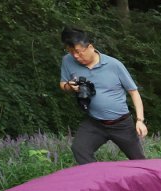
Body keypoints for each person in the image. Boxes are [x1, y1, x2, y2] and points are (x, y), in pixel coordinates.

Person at [58, 27, 147, 165]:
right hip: (94, 122)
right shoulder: (67, 61)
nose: (75, 56)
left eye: (78, 52)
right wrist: (70, 86)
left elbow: (133, 92)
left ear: (90, 47)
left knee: (139, 161)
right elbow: (62, 84)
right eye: (70, 52)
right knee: (79, 149)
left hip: (121, 123)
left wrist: (140, 120)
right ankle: (96, 181)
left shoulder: (114, 65)